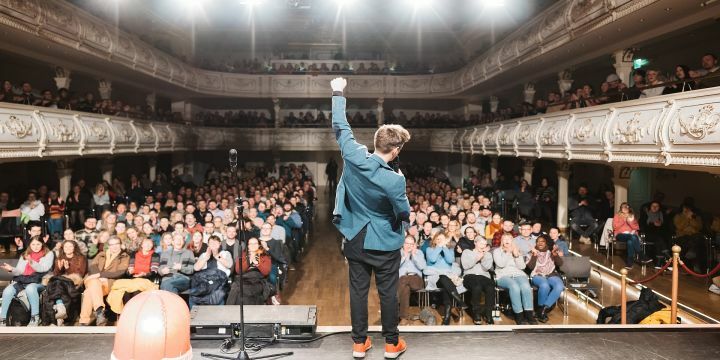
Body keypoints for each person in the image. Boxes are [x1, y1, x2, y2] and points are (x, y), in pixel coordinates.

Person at [330, 77, 410, 358]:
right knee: (388, 293)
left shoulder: (353, 155)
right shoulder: (395, 180)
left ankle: (359, 344)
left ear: (377, 142)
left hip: (355, 237)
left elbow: (340, 126)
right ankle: (391, 344)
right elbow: (402, 213)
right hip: (385, 242)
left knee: (358, 291)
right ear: (396, 150)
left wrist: (338, 91)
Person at [0, 236, 54, 326]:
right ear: (30, 245)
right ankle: (3, 319)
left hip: (39, 281)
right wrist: (11, 269)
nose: (35, 246)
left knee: (30, 288)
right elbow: (20, 271)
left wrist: (31, 262)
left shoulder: (48, 254)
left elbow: (43, 268)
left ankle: (35, 317)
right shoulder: (25, 254)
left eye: (38, 244)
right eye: (33, 244)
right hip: (24, 280)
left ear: (42, 244)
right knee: (8, 290)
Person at [79, 236, 129, 326]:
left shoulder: (124, 256)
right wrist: (98, 276)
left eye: (117, 244)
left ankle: (84, 320)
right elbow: (93, 266)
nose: (114, 246)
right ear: (108, 246)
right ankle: (99, 312)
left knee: (88, 292)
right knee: (94, 283)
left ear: (120, 245)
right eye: (112, 244)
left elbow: (120, 272)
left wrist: (100, 275)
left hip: (108, 282)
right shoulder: (101, 254)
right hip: (93, 279)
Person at [493, 233, 537, 325]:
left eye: (509, 239)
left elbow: (522, 267)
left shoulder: (517, 250)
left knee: (526, 286)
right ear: (502, 241)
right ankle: (519, 315)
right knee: (514, 286)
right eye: (504, 239)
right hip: (503, 275)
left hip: (518, 274)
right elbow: (501, 264)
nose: (507, 241)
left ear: (512, 240)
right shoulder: (497, 251)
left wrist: (516, 255)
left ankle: (529, 315)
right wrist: (508, 252)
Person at [425, 233, 466, 325]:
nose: (440, 241)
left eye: (442, 239)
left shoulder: (449, 250)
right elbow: (432, 259)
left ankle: (446, 318)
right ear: (434, 240)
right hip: (435, 277)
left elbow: (450, 260)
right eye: (438, 239)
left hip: (448, 277)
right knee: (444, 278)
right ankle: (459, 301)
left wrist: (444, 247)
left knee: (446, 285)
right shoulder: (429, 249)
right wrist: (439, 247)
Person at [45, 239, 87, 326]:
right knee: (56, 284)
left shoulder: (81, 258)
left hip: (74, 284)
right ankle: (60, 310)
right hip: (60, 284)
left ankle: (56, 315)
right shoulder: (59, 258)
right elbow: (56, 275)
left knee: (57, 285)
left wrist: (67, 268)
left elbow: (80, 274)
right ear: (63, 248)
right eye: (66, 246)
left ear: (74, 248)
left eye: (70, 246)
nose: (68, 248)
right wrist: (59, 268)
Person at [527, 235, 564, 323]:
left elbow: (560, 263)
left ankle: (542, 310)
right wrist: (534, 255)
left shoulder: (551, 252)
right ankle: (541, 311)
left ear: (546, 242)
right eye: (538, 241)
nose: (540, 243)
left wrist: (555, 255)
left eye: (542, 241)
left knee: (559, 286)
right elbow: (530, 267)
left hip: (551, 274)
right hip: (537, 275)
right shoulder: (531, 252)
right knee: (544, 285)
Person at [226, 237, 271, 306]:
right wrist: (249, 260)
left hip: (257, 281)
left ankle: (229, 310)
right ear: (248, 246)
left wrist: (257, 263)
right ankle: (232, 311)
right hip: (243, 279)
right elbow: (238, 270)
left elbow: (266, 272)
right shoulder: (243, 255)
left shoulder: (264, 256)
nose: (253, 245)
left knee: (237, 288)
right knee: (238, 289)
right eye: (250, 243)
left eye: (255, 243)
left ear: (259, 245)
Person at [460, 236, 495, 325]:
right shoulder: (467, 252)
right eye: (481, 243)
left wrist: (483, 257)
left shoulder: (488, 254)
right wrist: (477, 258)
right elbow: (465, 266)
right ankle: (477, 313)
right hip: (470, 276)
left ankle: (488, 314)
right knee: (477, 287)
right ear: (475, 243)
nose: (483, 246)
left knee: (490, 287)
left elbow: (487, 267)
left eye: (484, 244)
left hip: (484, 276)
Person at [397, 235, 426, 325]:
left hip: (416, 280)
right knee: (405, 288)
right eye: (407, 243)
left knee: (403, 279)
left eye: (411, 244)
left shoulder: (419, 253)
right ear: (403, 244)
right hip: (402, 282)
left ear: (415, 245)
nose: (409, 245)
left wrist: (414, 255)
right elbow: (394, 267)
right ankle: (404, 317)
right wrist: (404, 257)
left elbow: (422, 267)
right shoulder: (398, 253)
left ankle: (394, 305)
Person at [613, 203, 647, 270]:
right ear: (621, 208)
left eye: (626, 207)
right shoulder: (617, 216)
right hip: (620, 235)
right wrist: (623, 220)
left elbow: (637, 227)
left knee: (630, 242)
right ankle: (641, 255)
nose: (624, 209)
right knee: (632, 237)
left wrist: (630, 221)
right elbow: (615, 227)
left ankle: (629, 263)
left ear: (629, 209)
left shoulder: (632, 216)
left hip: (631, 235)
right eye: (623, 207)